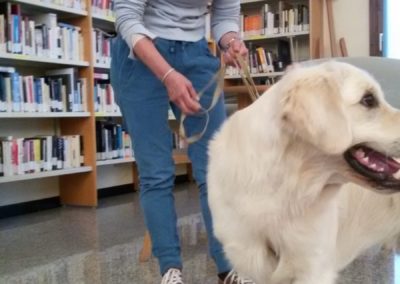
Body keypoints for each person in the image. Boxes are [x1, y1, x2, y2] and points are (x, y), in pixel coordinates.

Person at [111, 1, 252, 283]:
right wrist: (167, 74)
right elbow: (126, 17)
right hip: (141, 53)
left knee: (216, 170)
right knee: (156, 172)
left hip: (196, 52)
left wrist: (232, 40)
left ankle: (228, 268)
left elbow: (224, 17)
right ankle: (170, 269)